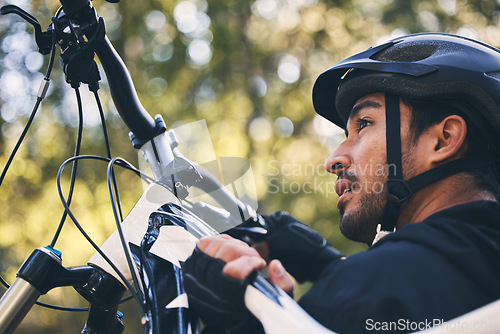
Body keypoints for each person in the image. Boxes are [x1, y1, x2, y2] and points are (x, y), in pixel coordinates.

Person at [181, 33, 500, 333]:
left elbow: (377, 297)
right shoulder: (473, 269)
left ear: (444, 140)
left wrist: (244, 323)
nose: (333, 160)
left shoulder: (364, 293)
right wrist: (326, 263)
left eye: (364, 124)